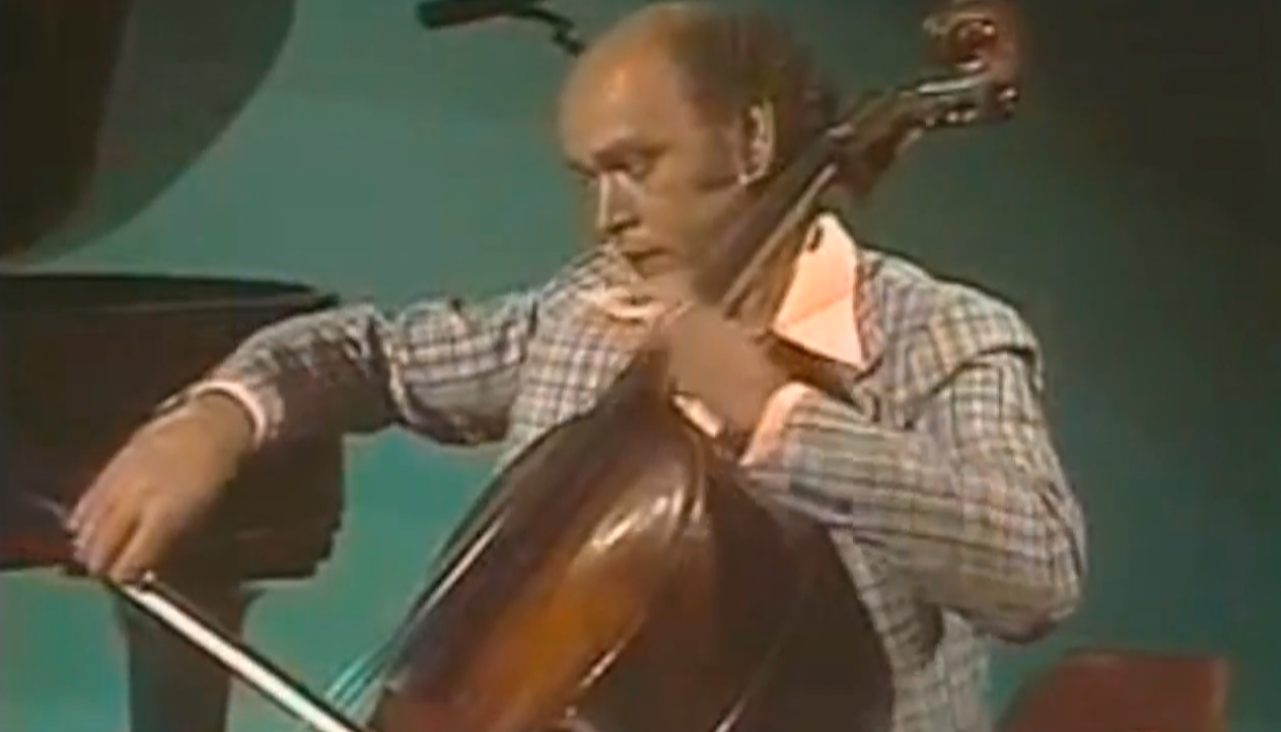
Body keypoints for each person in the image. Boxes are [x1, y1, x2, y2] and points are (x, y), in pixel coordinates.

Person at [68, 3, 1086, 730]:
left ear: (750, 139)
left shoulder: (933, 335)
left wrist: (780, 417)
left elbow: (1034, 571)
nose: (607, 216)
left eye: (635, 166)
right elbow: (367, 353)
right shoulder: (588, 317)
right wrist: (217, 417)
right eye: (590, 177)